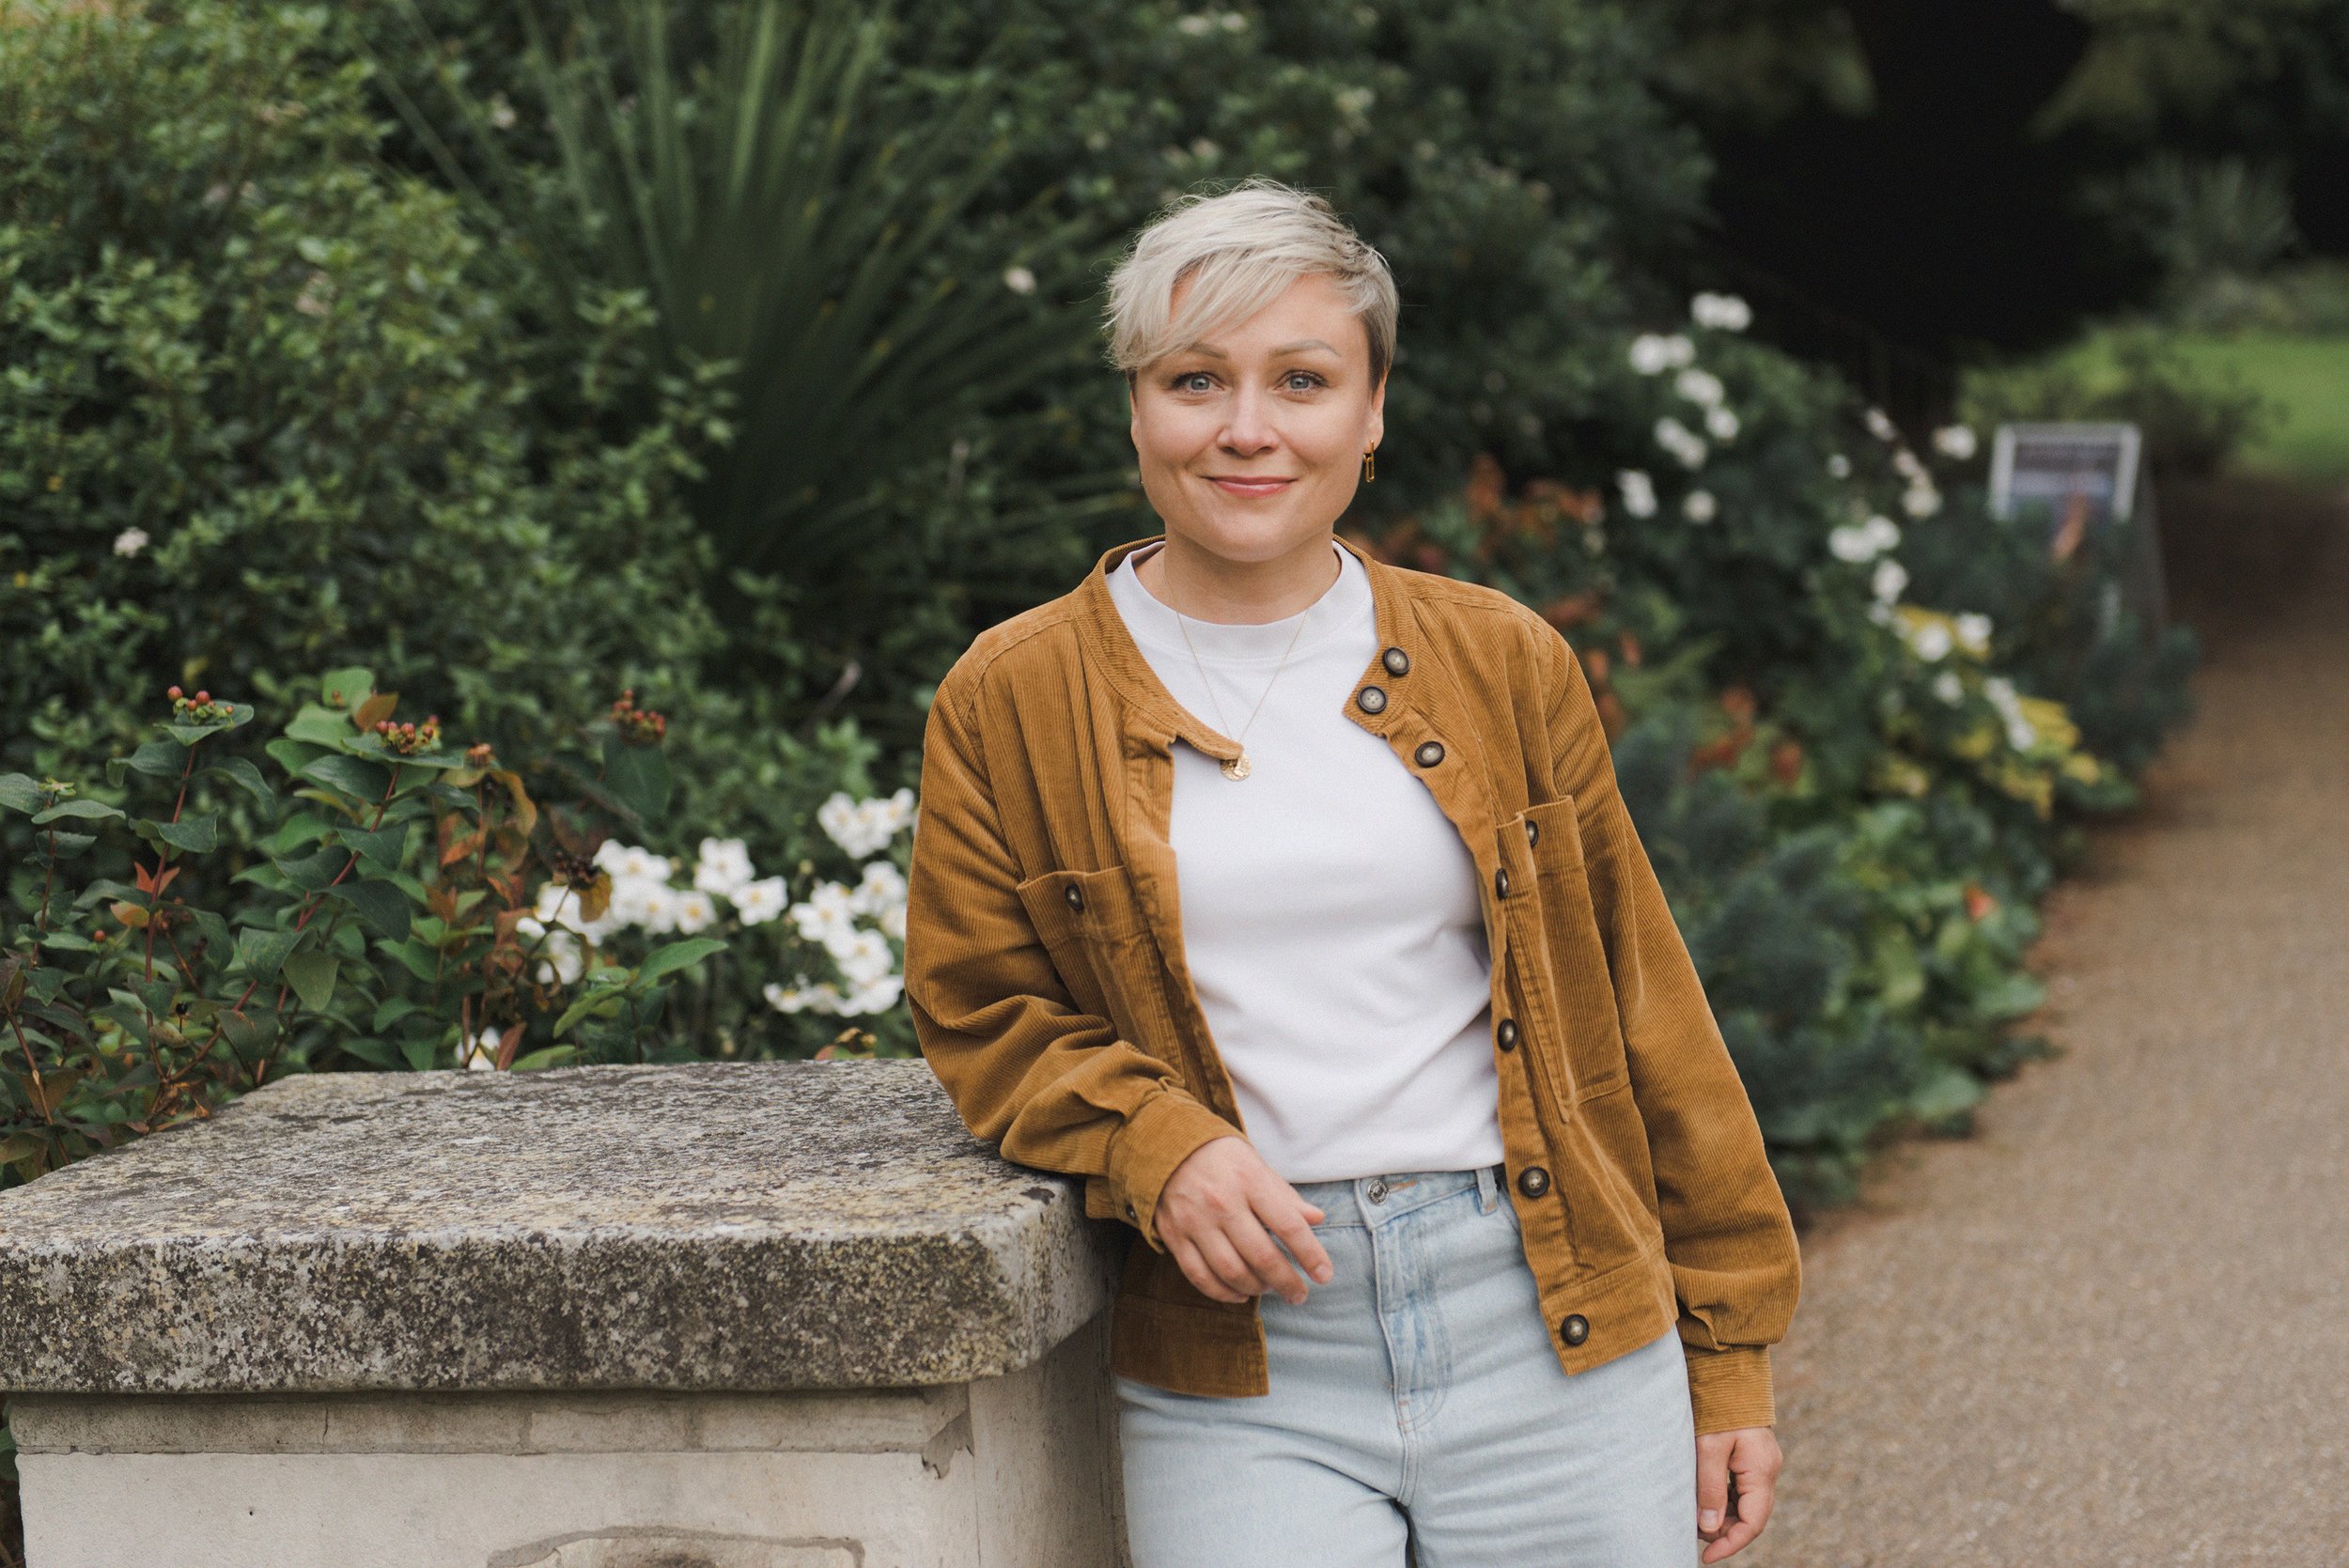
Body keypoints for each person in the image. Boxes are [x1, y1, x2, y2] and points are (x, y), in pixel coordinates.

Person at [903, 177, 1800, 1567]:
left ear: (1371, 412)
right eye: (1196, 379)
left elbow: (1642, 1007)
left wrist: (1728, 1351)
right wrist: (1160, 1141)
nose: (1247, 428)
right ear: (1138, 406)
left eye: (1302, 379)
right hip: (1239, 1356)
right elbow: (981, 1011)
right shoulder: (1013, 695)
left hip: (1553, 1315)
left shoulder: (1502, 659)